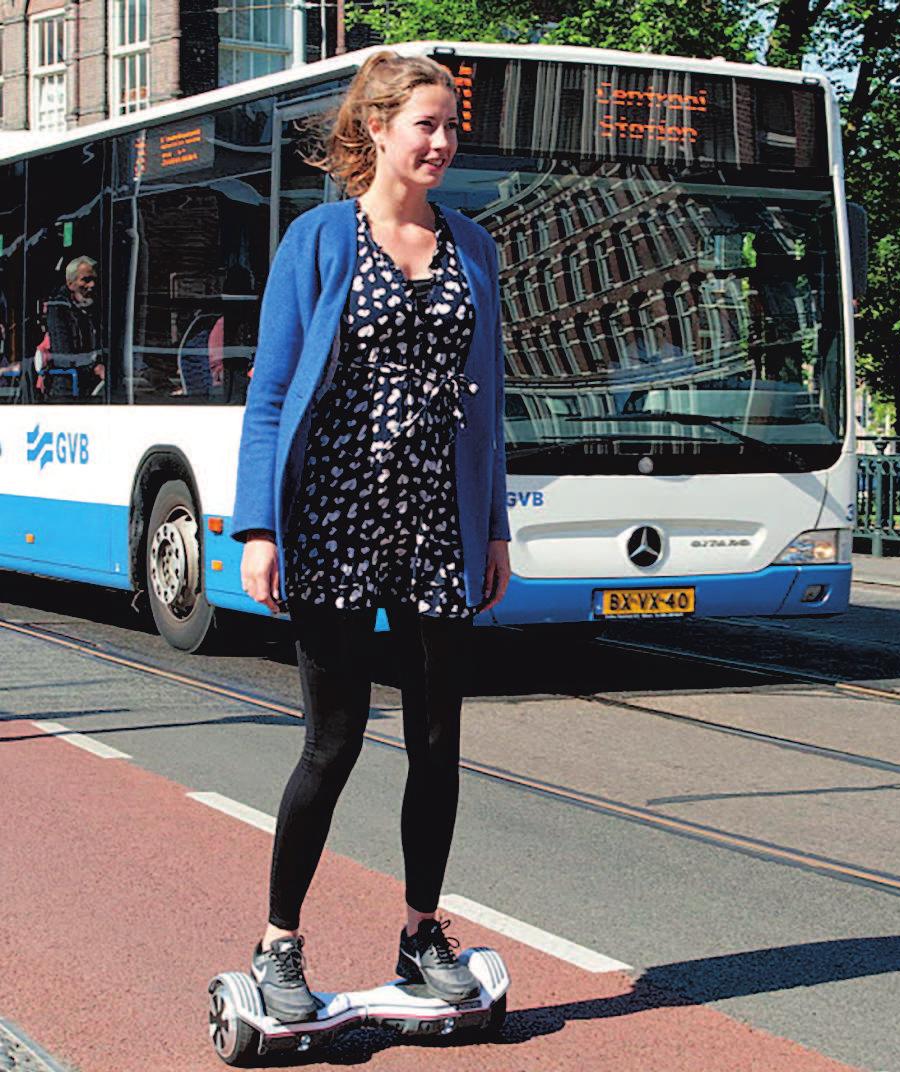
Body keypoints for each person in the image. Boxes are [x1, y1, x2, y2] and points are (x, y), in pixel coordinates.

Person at [230, 51, 511, 1024]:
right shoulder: (318, 242)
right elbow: (269, 396)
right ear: (378, 129)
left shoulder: (473, 246)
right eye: (425, 124)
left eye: (449, 128)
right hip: (337, 518)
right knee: (335, 742)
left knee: (439, 743)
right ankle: (278, 944)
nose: (440, 143)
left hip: (438, 521)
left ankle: (421, 931)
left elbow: (491, 406)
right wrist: (259, 526)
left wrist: (493, 528)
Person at [42, 255, 104, 398]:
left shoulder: (94, 309)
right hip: (67, 391)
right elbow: (62, 356)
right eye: (86, 280)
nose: (92, 285)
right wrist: (94, 367)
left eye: (94, 279)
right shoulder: (58, 309)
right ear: (71, 284)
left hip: (94, 389)